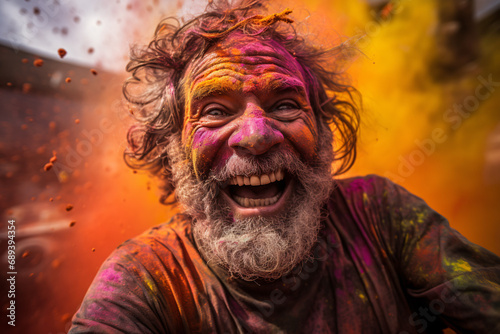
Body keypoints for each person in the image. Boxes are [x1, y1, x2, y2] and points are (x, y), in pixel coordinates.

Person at [69, 1, 500, 333]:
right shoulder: (144, 278)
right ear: (173, 147)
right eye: (216, 111)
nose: (257, 134)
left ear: (323, 130)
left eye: (286, 104)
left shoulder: (379, 215)